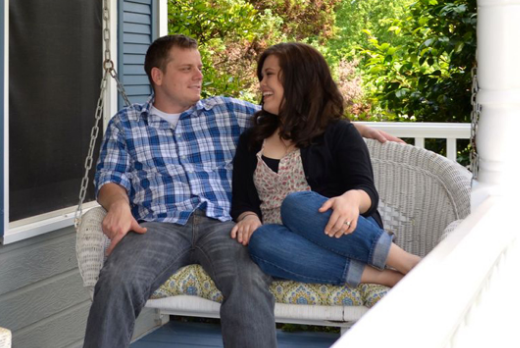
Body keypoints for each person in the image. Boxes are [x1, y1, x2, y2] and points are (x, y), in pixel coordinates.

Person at [84, 35, 397, 348]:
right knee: (116, 279)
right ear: (158, 76)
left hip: (224, 226)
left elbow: (298, 112)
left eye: (200, 67)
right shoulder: (126, 123)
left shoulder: (224, 111)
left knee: (248, 282)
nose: (199, 76)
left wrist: (358, 128)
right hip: (157, 225)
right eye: (187, 68)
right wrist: (119, 206)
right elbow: (109, 179)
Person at [230, 42, 421, 288]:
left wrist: (351, 200)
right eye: (262, 76)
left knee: (296, 204)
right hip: (289, 246)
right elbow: (243, 200)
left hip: (342, 230)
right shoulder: (252, 140)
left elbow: (365, 190)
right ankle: (385, 277)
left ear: (297, 79)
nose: (261, 84)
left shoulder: (338, 131)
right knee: (260, 239)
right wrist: (248, 217)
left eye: (269, 75)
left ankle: (408, 262)